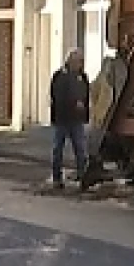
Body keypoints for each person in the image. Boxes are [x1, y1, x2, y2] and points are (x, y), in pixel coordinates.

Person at [49, 48, 91, 189]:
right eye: (79, 61)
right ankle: (57, 178)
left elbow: (87, 94)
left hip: (77, 119)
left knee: (80, 149)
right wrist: (74, 103)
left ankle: (83, 176)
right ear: (70, 61)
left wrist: (85, 111)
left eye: (82, 61)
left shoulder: (83, 77)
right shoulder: (60, 76)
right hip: (62, 118)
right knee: (58, 149)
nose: (81, 64)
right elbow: (57, 95)